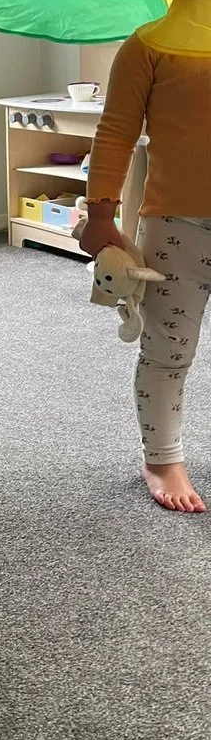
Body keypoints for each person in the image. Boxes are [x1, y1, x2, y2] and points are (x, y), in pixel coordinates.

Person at [79, 35, 211, 514]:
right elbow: (116, 129)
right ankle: (161, 459)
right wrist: (99, 214)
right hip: (177, 224)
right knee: (167, 349)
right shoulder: (152, 44)